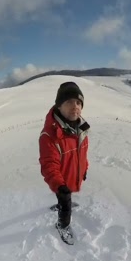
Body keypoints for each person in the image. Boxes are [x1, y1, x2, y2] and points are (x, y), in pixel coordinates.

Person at [38, 81, 90, 232]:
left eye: (78, 102)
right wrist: (60, 188)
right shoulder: (50, 136)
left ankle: (63, 201)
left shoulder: (81, 129)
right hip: (61, 183)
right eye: (69, 102)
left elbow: (83, 154)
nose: (75, 106)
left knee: (67, 196)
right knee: (65, 206)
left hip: (73, 177)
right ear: (59, 106)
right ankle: (63, 227)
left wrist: (84, 169)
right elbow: (49, 165)